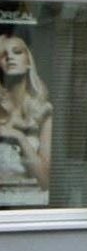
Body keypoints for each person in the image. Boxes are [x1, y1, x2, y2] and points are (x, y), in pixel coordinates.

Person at [0, 32, 51, 204]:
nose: (10, 57)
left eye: (17, 52)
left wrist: (19, 137)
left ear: (28, 62)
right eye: (3, 55)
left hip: (31, 205)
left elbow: (45, 182)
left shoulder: (43, 111)